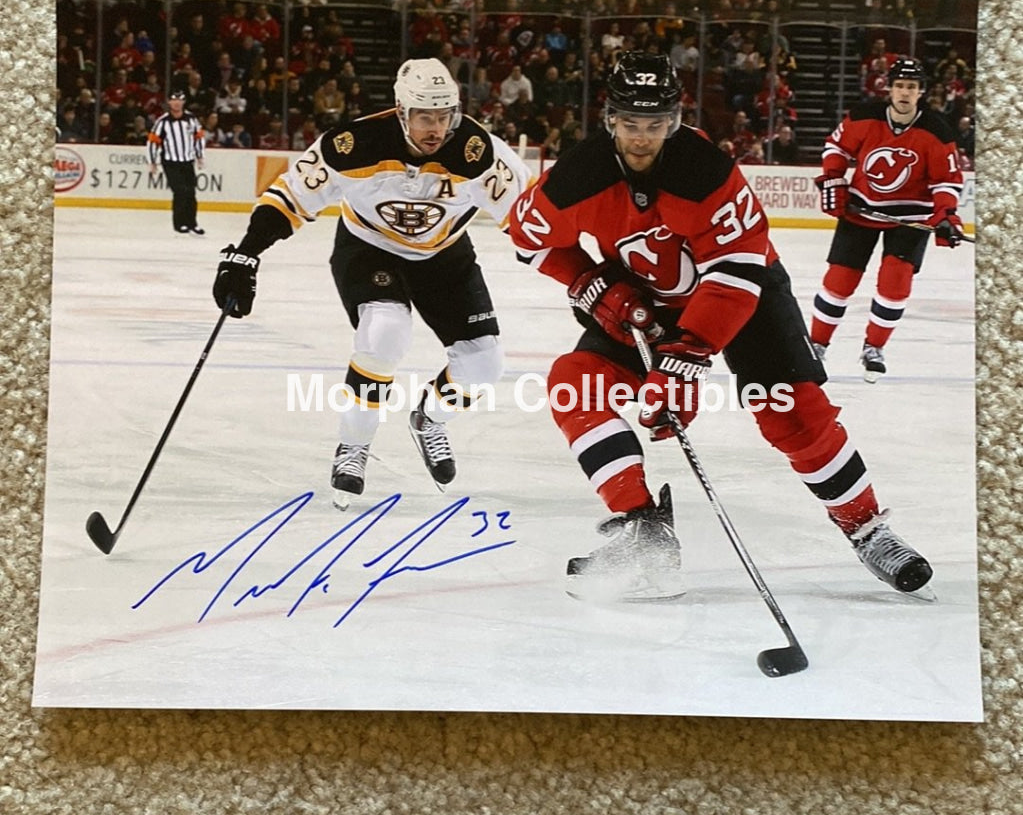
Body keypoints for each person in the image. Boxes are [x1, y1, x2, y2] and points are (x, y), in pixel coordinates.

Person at [508, 51, 932, 602]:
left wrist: (686, 359)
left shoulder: (706, 171)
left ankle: (867, 528)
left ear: (675, 120)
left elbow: (736, 272)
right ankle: (644, 533)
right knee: (575, 383)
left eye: (656, 124)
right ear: (610, 119)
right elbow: (528, 239)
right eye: (631, 123)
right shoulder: (577, 176)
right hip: (647, 302)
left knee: (792, 410)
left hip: (744, 295)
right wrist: (592, 282)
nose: (642, 138)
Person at [212, 59, 530, 508]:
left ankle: (430, 418)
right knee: (385, 331)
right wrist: (246, 253)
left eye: (444, 116)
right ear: (401, 112)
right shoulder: (352, 145)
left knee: (484, 365)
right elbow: (291, 196)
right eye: (424, 117)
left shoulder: (478, 153)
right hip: (368, 249)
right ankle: (354, 445)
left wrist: (569, 267)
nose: (436, 128)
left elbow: (530, 215)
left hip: (444, 255)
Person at [808, 57, 965, 381]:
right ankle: (817, 344)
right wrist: (834, 178)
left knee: (895, 284)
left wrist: (946, 215)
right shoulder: (864, 116)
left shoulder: (937, 130)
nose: (905, 92)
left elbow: (946, 181)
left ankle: (874, 347)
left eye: (912, 87)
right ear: (890, 89)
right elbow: (836, 147)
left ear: (921, 92)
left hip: (911, 216)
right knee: (839, 280)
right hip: (861, 209)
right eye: (900, 86)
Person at [146, 90, 206, 234]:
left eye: (180, 100)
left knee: (191, 192)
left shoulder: (191, 119)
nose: (177, 103)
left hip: (187, 160)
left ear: (183, 102)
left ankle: (192, 223)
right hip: (170, 162)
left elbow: (198, 137)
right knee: (179, 191)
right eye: (174, 100)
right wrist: (152, 161)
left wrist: (200, 156)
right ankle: (179, 224)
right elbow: (153, 141)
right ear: (169, 102)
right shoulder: (163, 121)